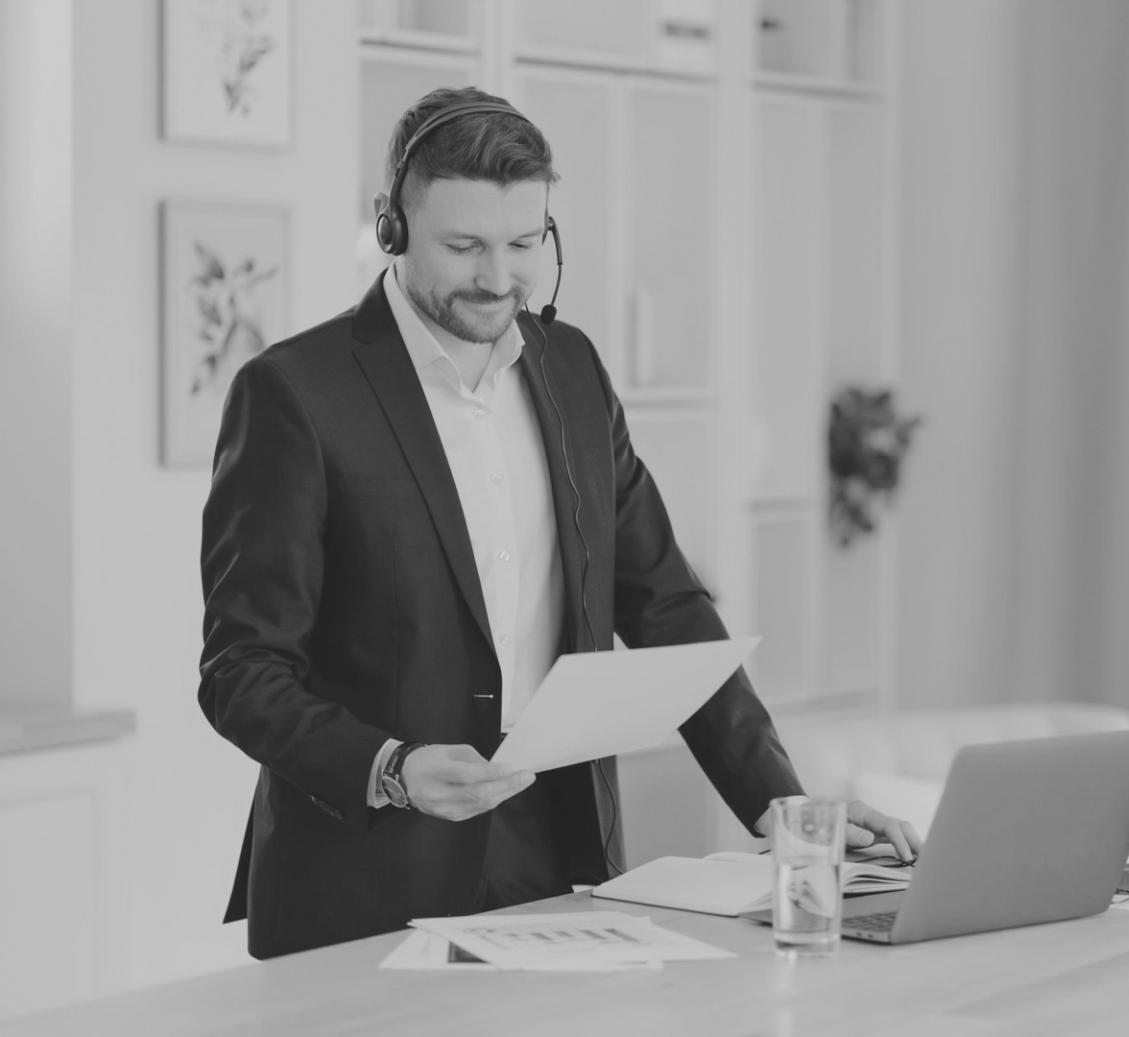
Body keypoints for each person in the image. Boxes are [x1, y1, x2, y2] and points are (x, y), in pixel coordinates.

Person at [198, 85, 922, 959]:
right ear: (391, 226)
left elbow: (665, 605)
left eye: (523, 242)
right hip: (363, 880)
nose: (498, 279)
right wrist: (388, 767)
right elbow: (241, 668)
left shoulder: (571, 368)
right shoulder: (295, 394)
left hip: (559, 866)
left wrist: (780, 802)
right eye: (462, 246)